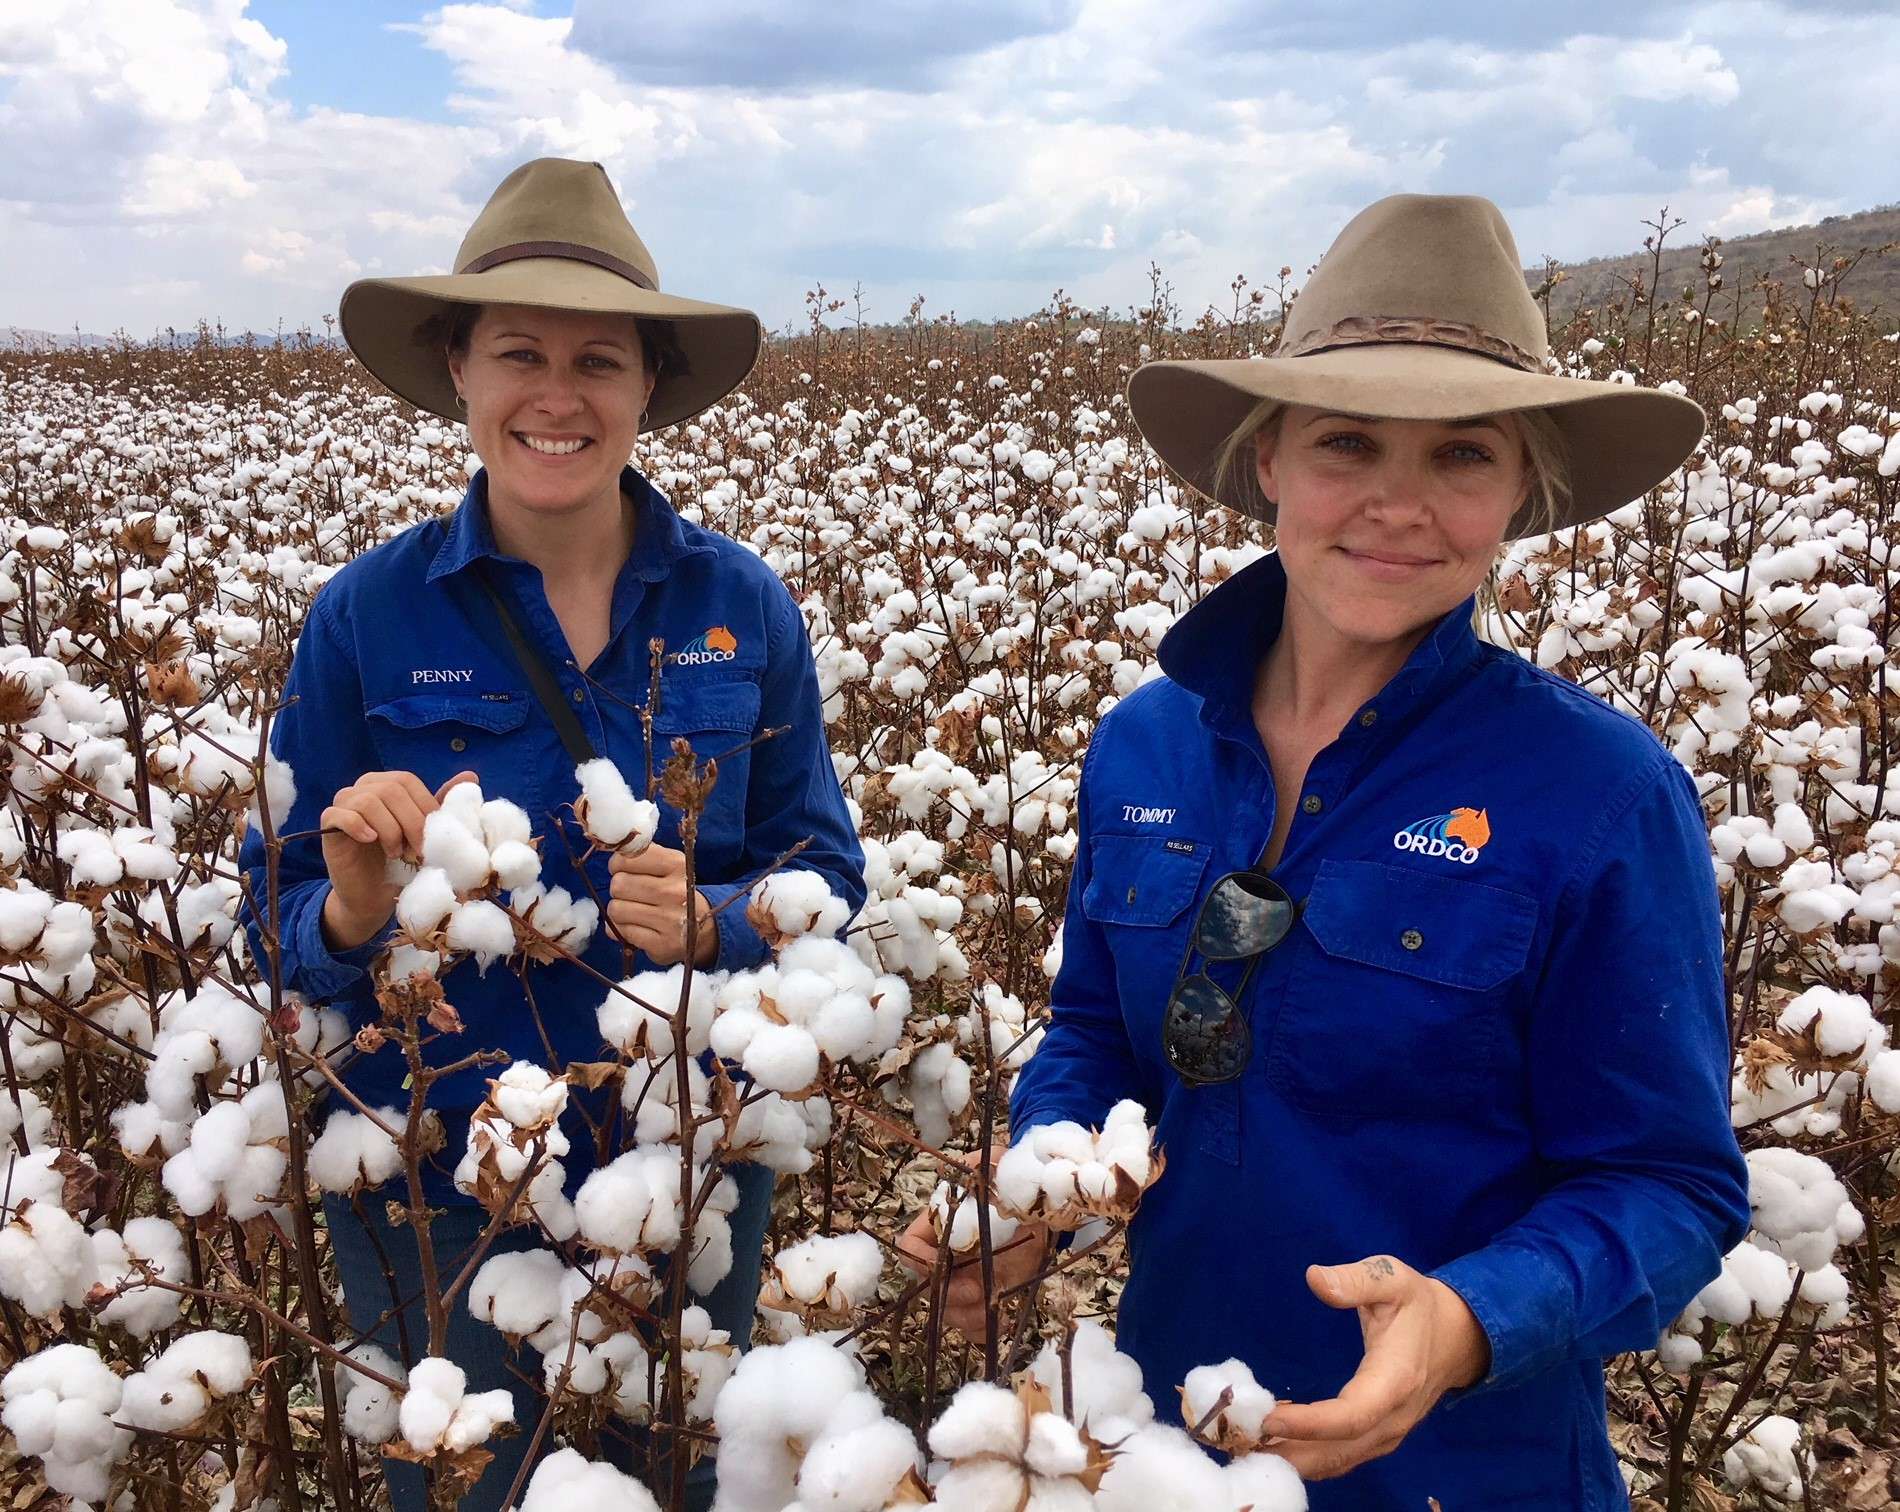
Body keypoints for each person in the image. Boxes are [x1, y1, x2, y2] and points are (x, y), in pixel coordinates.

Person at [900, 195, 1748, 1508]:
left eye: (1462, 454)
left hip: (1472, 1472)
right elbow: (1097, 1037)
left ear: (1520, 493)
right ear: (1269, 462)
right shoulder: (1145, 748)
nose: (1398, 505)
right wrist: (1046, 1186)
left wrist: (1465, 1322)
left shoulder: (1600, 794)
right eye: (1347, 441)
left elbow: (1669, 1183)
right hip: (1175, 1442)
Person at [239, 157, 865, 1512]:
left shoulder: (744, 607)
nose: (558, 396)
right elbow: (271, 926)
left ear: (648, 387)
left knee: (675, 1476)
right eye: (520, 353)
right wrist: (350, 910)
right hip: (435, 1181)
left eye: (599, 361)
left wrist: (717, 922)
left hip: (685, 1160)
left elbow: (825, 872)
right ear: (458, 369)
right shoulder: (365, 618)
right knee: (464, 1488)